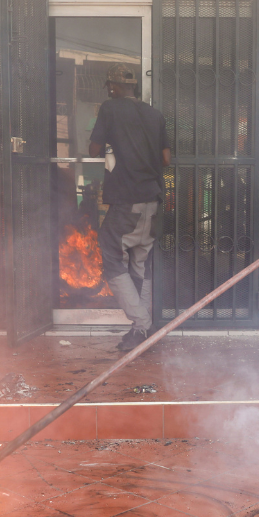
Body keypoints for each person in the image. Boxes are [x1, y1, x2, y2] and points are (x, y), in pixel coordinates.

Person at [89, 64, 171, 351]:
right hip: (152, 200)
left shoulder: (109, 109)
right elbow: (165, 158)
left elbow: (93, 149)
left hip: (127, 200)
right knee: (140, 260)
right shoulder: (155, 114)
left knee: (110, 253)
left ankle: (143, 324)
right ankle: (141, 329)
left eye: (110, 87)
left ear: (113, 86)